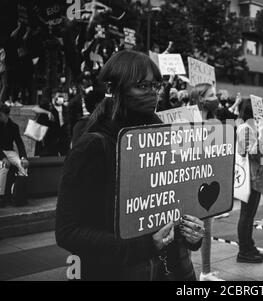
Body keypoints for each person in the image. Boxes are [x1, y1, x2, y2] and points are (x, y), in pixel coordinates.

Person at [55, 50, 204, 281]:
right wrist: (143, 245)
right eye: (143, 86)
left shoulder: (164, 137)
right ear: (115, 89)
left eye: (156, 86)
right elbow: (68, 232)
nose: (153, 93)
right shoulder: (92, 146)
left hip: (169, 270)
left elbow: (170, 207)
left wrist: (189, 234)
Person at [189, 83, 224, 282]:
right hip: (189, 181)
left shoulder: (216, 123)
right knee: (186, 231)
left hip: (207, 182)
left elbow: (218, 153)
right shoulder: (186, 122)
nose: (215, 98)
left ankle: (206, 272)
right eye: (211, 95)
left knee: (206, 230)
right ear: (200, 99)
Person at [236, 99, 263, 264]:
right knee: (246, 216)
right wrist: (262, 134)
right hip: (249, 179)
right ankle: (244, 251)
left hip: (257, 176)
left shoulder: (252, 128)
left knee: (251, 216)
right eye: (259, 110)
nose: (261, 113)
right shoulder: (244, 128)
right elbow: (255, 152)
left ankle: (250, 246)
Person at [0, 103, 29, 207]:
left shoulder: (14, 127)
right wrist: (3, 157)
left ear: (5, 115)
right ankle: (1, 197)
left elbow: (19, 143)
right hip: (0, 152)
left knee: (23, 166)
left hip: (10, 152)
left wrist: (23, 158)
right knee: (3, 167)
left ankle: (18, 197)